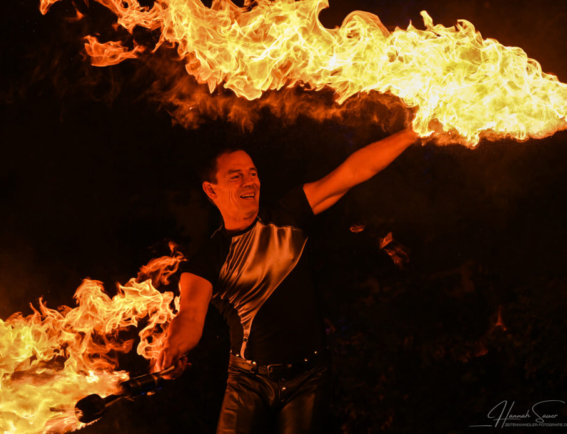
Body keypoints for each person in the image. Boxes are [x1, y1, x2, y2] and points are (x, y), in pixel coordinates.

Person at [155, 127, 419, 433]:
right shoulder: (207, 260)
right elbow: (189, 315)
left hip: (309, 379)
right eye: (236, 175)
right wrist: (173, 348)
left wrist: (413, 132)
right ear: (211, 190)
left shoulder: (288, 215)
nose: (249, 181)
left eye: (252, 173)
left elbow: (354, 171)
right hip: (247, 384)